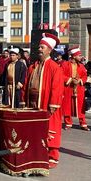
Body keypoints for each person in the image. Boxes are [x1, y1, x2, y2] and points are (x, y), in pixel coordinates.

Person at [23, 33, 65, 167]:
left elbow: (57, 87)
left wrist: (53, 103)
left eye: (42, 47)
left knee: (50, 128)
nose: (39, 49)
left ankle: (53, 156)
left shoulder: (54, 67)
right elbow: (26, 83)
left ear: (49, 50)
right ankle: (37, 152)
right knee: (35, 128)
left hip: (47, 103)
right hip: (33, 103)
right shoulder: (32, 66)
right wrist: (24, 100)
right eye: (39, 47)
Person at [61, 46, 89, 131]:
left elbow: (84, 76)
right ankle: (68, 123)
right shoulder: (65, 64)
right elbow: (60, 75)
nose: (81, 57)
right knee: (67, 105)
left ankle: (83, 123)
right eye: (79, 55)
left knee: (81, 106)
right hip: (68, 88)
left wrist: (80, 80)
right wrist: (70, 80)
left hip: (79, 88)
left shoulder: (81, 66)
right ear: (73, 56)